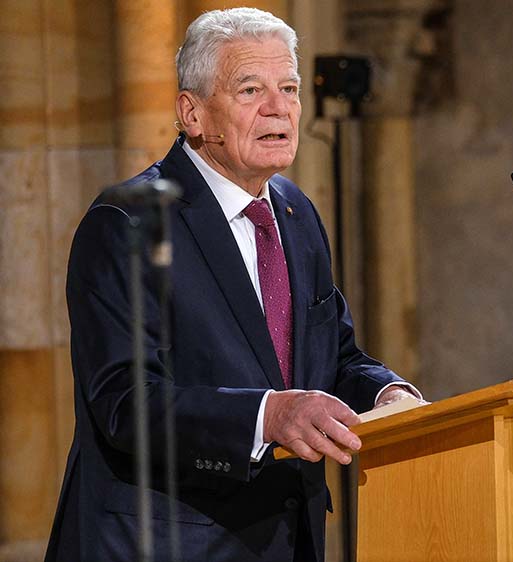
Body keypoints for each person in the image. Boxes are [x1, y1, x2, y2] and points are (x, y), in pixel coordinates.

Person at [45, 8, 419, 562]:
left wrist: (387, 393)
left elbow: (332, 356)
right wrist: (268, 416)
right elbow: (125, 403)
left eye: (289, 88)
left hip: (285, 540)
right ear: (192, 113)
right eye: (251, 89)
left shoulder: (295, 212)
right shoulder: (126, 221)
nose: (279, 108)